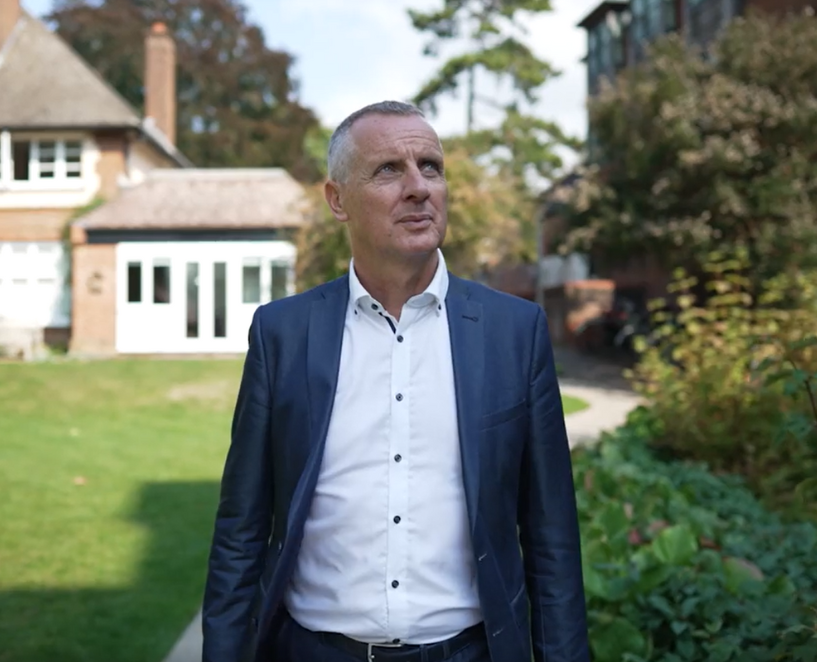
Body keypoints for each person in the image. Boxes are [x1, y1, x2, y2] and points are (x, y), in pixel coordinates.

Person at [201, 100, 589, 662]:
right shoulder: (282, 333)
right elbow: (241, 530)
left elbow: (552, 535)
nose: (418, 187)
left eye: (430, 167)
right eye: (389, 170)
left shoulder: (514, 331)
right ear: (337, 199)